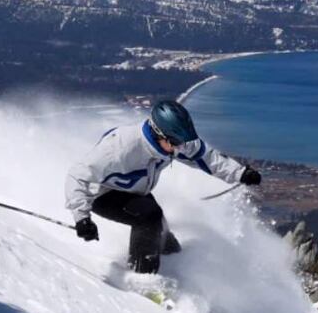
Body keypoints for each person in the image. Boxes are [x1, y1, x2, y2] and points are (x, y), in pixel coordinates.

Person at [65, 99, 261, 273]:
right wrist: (82, 218)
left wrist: (240, 173)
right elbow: (78, 176)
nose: (181, 147)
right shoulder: (119, 148)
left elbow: (206, 157)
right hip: (102, 194)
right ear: (157, 132)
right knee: (149, 217)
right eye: (176, 142)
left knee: (162, 233)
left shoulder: (174, 143)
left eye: (184, 141)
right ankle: (142, 277)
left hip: (133, 191)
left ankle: (172, 261)